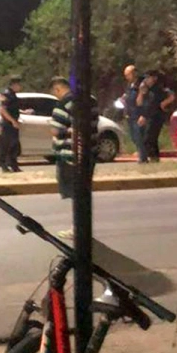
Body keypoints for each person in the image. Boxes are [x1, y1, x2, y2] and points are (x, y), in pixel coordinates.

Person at [49, 76, 99, 239]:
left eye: (55, 93)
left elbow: (56, 129)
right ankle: (84, 227)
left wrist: (65, 131)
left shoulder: (64, 103)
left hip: (70, 155)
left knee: (74, 193)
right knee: (84, 191)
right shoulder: (91, 100)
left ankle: (78, 228)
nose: (56, 96)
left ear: (58, 88)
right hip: (89, 152)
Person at [136, 70, 175, 163]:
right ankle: (154, 158)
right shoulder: (146, 90)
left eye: (148, 78)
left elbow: (171, 96)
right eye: (146, 78)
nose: (146, 80)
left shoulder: (158, 89)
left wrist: (164, 103)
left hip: (156, 117)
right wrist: (141, 92)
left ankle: (153, 157)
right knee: (150, 139)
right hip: (148, 116)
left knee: (149, 138)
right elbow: (139, 103)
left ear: (154, 78)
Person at [0, 76, 23, 173]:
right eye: (19, 84)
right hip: (7, 124)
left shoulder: (13, 95)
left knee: (14, 145)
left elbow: (12, 108)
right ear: (14, 85)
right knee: (6, 144)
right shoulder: (6, 94)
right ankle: (4, 165)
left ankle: (14, 165)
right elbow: (2, 109)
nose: (20, 86)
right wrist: (12, 121)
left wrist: (23, 112)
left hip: (12, 123)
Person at [120, 64, 144, 160]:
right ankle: (140, 153)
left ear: (134, 73)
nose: (126, 77)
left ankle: (143, 157)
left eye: (128, 74)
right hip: (130, 114)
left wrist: (143, 114)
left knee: (139, 136)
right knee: (133, 136)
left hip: (138, 113)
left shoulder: (141, 85)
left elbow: (143, 99)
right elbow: (128, 95)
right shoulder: (129, 85)